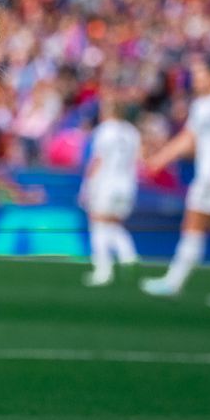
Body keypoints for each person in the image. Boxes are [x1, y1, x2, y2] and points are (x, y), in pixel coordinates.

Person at [141, 58, 210, 306]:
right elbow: (189, 139)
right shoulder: (202, 105)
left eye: (201, 73)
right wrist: (161, 159)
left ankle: (174, 282)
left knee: (195, 224)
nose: (196, 78)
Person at [79, 99, 141, 287]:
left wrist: (86, 185)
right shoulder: (132, 132)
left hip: (106, 182)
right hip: (127, 184)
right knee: (113, 223)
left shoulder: (105, 130)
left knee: (97, 224)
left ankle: (103, 271)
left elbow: (97, 159)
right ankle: (128, 256)